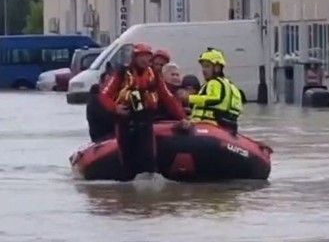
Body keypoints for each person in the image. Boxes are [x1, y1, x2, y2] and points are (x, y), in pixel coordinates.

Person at [99, 43, 188, 180]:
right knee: (128, 166)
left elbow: (168, 98)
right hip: (125, 122)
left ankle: (148, 196)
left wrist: (182, 117)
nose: (145, 60)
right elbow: (104, 96)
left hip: (145, 121)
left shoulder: (155, 76)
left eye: (147, 56)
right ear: (134, 57)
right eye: (141, 56)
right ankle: (129, 195)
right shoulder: (122, 74)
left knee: (149, 163)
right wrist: (115, 108)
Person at [187, 48, 243, 134]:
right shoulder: (229, 84)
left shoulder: (214, 83)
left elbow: (215, 99)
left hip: (211, 126)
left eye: (207, 66)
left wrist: (188, 98)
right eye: (203, 66)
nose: (203, 70)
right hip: (226, 127)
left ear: (217, 68)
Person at [86, 72, 115, 142]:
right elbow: (107, 119)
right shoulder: (95, 101)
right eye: (107, 83)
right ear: (101, 84)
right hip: (101, 137)